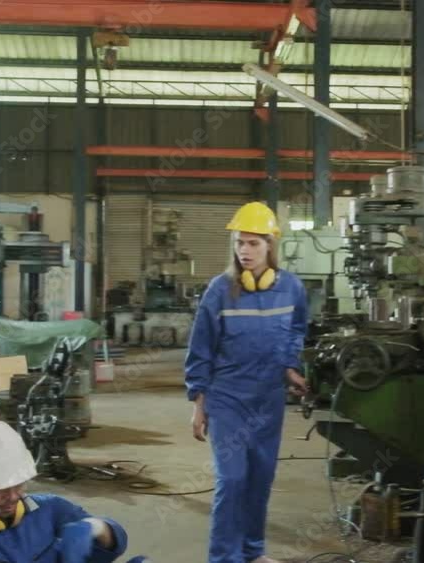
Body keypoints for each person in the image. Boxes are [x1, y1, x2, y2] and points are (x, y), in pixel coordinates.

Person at [185, 202, 309, 563]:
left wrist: (290, 367)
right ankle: (224, 557)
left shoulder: (291, 288)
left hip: (268, 399)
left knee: (260, 479)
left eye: (253, 243)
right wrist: (199, 403)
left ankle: (253, 552)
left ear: (270, 245)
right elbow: (201, 348)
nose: (245, 250)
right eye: (240, 242)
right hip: (228, 398)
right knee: (233, 479)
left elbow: (296, 330)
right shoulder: (219, 290)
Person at [0, 420, 145, 563]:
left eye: (18, 484)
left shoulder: (50, 510)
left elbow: (115, 542)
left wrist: (96, 528)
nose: (13, 497)